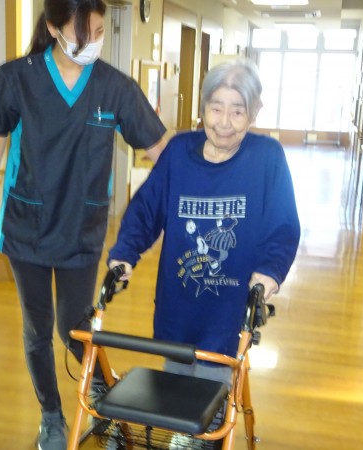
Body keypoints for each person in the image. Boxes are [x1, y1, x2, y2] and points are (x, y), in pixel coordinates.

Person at [0, 1, 167, 448]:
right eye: (82, 33)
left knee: (74, 328)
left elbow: (162, 151)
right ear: (54, 28)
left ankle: (105, 399)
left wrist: (213, 164)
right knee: (38, 330)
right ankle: (51, 416)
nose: (93, 42)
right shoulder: (16, 78)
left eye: (99, 32)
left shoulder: (115, 87)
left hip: (82, 230)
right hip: (27, 229)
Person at [107, 59, 300, 449]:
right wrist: (125, 253)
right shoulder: (179, 152)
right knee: (177, 382)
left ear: (255, 112)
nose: (224, 122)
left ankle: (200, 439)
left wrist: (269, 272)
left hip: (230, 305)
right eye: (216, 108)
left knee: (211, 390)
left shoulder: (267, 158)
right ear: (203, 107)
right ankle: (186, 434)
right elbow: (146, 209)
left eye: (237, 111)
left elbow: (283, 225)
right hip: (179, 301)